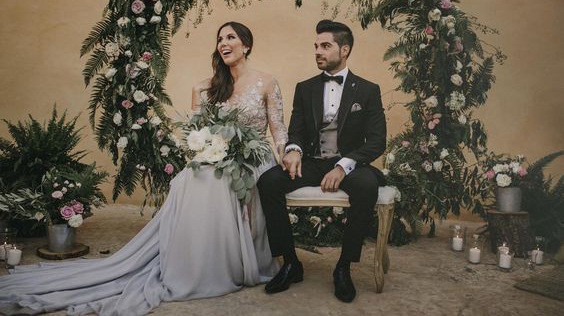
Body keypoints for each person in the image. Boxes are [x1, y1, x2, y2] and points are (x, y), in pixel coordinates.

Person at [0, 22, 288, 315]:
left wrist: (285, 156)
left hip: (254, 157)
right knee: (191, 178)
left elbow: (278, 131)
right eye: (219, 39)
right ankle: (195, 261)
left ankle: (228, 261)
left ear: (246, 45)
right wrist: (205, 139)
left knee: (215, 181)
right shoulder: (207, 87)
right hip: (216, 156)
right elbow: (194, 136)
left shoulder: (266, 82)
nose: (223, 43)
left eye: (231, 38)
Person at [257, 19, 386, 303]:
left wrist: (344, 166)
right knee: (269, 182)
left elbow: (377, 141)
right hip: (313, 161)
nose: (318, 51)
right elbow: (297, 130)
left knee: (366, 187)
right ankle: (291, 263)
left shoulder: (367, 90)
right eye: (316, 46)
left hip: (349, 163)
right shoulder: (305, 88)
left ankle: (343, 267)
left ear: (345, 49)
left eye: (325, 46)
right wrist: (293, 150)